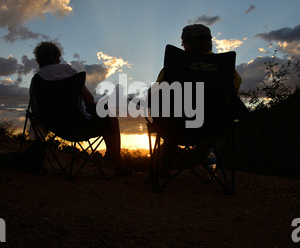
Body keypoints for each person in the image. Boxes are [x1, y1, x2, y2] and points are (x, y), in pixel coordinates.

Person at [151, 23, 246, 175]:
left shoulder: (174, 65)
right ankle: (211, 168)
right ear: (210, 43)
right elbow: (232, 95)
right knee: (206, 130)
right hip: (213, 128)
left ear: (185, 44)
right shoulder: (226, 68)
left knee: (167, 118)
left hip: (175, 127)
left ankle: (164, 167)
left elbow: (155, 94)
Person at [28, 41, 129, 176]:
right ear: (56, 59)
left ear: (39, 60)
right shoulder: (65, 70)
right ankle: (118, 164)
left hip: (54, 126)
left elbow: (36, 111)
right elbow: (89, 98)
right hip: (77, 125)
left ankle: (112, 157)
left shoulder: (36, 80)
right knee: (109, 116)